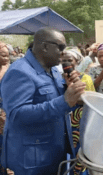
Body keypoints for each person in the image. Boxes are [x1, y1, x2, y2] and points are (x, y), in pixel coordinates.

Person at [0, 27, 86, 174]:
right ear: (45, 46)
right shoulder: (19, 71)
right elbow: (17, 114)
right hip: (32, 161)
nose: (64, 52)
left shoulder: (53, 70)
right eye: (60, 47)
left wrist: (72, 94)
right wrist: (64, 101)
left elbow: (58, 107)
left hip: (54, 155)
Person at [61, 47, 95, 175]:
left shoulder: (86, 78)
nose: (67, 63)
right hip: (65, 118)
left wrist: (73, 95)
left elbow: (90, 98)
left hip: (81, 119)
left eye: (70, 60)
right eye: (64, 60)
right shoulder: (59, 78)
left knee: (81, 148)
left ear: (77, 61)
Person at [0, 42, 10, 175]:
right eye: (3, 55)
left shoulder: (12, 69)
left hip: (6, 113)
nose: (7, 58)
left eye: (8, 55)